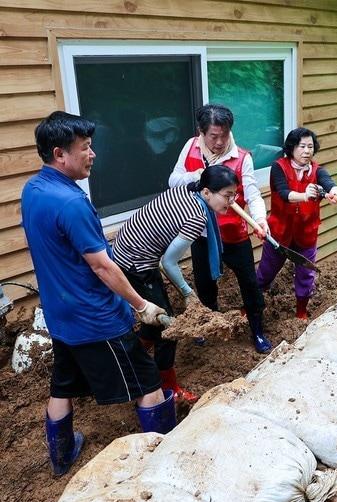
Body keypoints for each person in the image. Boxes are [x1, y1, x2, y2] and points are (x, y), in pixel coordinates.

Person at [23, 111, 176, 476]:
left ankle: (62, 457)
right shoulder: (72, 203)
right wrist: (141, 305)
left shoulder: (33, 189)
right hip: (97, 320)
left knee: (62, 387)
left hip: (60, 315)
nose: (93, 154)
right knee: (148, 383)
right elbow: (103, 266)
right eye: (86, 148)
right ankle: (169, 461)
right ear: (60, 154)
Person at [112, 166, 241, 404]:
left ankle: (127, 361)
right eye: (227, 195)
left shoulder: (187, 190)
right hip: (135, 263)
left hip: (130, 251)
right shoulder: (196, 216)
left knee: (154, 323)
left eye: (235, 194)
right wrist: (188, 293)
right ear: (206, 193)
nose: (232, 201)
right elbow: (168, 263)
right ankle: (168, 386)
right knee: (169, 327)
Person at [166, 104, 273, 353]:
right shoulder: (190, 147)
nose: (219, 141)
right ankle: (208, 324)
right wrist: (199, 175)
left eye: (224, 134)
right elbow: (173, 180)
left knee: (249, 282)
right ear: (201, 132)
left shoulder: (242, 157)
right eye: (213, 136)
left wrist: (260, 220)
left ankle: (257, 330)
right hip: (202, 234)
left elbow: (253, 194)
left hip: (234, 234)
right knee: (204, 284)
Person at [257, 128, 337, 320]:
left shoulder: (317, 170)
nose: (307, 151)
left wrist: (334, 191)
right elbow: (283, 192)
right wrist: (304, 196)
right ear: (292, 148)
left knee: (305, 275)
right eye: (302, 146)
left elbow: (328, 182)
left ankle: (301, 312)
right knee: (266, 271)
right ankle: (252, 306)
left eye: (310, 146)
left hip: (306, 233)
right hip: (279, 232)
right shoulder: (279, 167)